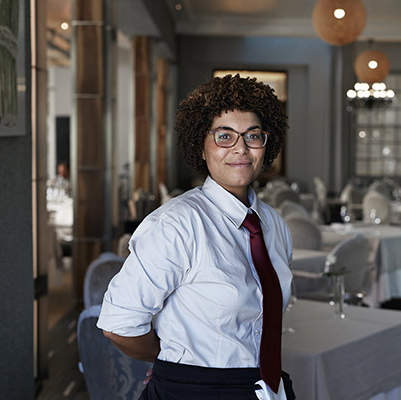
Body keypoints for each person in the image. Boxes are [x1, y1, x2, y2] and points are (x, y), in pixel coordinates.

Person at [97, 74, 295, 400]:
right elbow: (119, 324)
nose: (240, 149)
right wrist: (172, 360)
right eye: (224, 136)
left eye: (253, 136)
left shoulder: (274, 225)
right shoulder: (176, 225)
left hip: (266, 391)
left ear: (266, 145)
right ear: (200, 146)